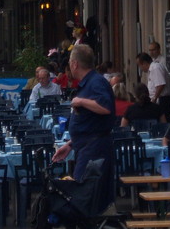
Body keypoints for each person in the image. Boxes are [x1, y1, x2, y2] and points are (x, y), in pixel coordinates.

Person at [52, 43, 115, 213]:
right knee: (84, 197)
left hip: (94, 150)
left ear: (74, 64)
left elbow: (106, 107)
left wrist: (80, 101)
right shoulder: (88, 83)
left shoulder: (96, 82)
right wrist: (70, 144)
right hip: (85, 145)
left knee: (82, 197)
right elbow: (90, 123)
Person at [136, 52, 170, 120]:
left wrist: (154, 98)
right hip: (159, 100)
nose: (140, 68)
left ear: (144, 63)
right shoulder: (151, 70)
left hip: (163, 100)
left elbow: (161, 84)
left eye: (139, 65)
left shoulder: (155, 68)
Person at [147, 42, 170, 118]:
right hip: (157, 97)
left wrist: (155, 97)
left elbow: (162, 82)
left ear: (158, 50)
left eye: (153, 50)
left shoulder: (163, 61)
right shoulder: (151, 61)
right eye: (150, 50)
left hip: (164, 96)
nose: (151, 52)